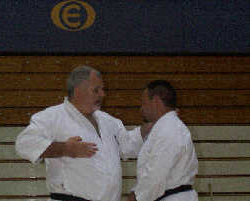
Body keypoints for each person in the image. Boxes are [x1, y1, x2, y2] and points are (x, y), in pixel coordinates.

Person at [15, 66, 148, 201]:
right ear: (79, 92)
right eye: (96, 90)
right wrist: (64, 149)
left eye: (102, 89)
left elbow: (127, 146)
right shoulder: (53, 117)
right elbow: (24, 143)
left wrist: (154, 124)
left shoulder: (108, 121)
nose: (102, 94)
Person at [126, 80, 198, 201]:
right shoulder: (165, 128)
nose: (141, 108)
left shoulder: (168, 130)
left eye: (144, 102)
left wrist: (136, 197)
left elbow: (155, 176)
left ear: (155, 101)